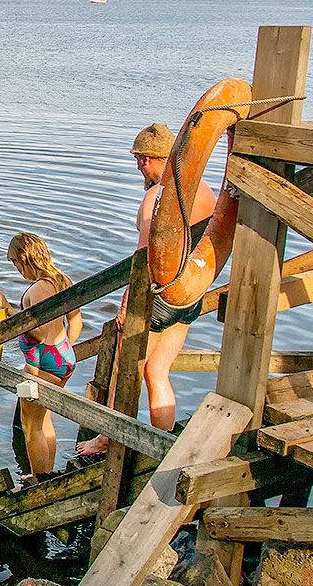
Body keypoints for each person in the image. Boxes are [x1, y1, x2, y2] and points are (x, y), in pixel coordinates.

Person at [84, 122, 221, 439]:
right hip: (191, 293)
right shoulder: (203, 190)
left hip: (159, 294)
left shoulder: (157, 198)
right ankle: (165, 437)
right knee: (157, 370)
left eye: (138, 160)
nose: (137, 167)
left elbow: (143, 258)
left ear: (147, 159)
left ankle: (108, 439)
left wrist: (125, 306)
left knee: (125, 365)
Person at [0, 231, 80, 479]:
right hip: (63, 357)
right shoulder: (63, 279)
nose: (18, 270)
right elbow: (76, 322)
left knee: (31, 426)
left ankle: (38, 478)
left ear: (25, 258)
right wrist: (63, 350)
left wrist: (8, 308)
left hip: (43, 363)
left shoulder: (38, 289)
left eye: (17, 264)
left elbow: (38, 332)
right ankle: (47, 473)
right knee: (45, 418)